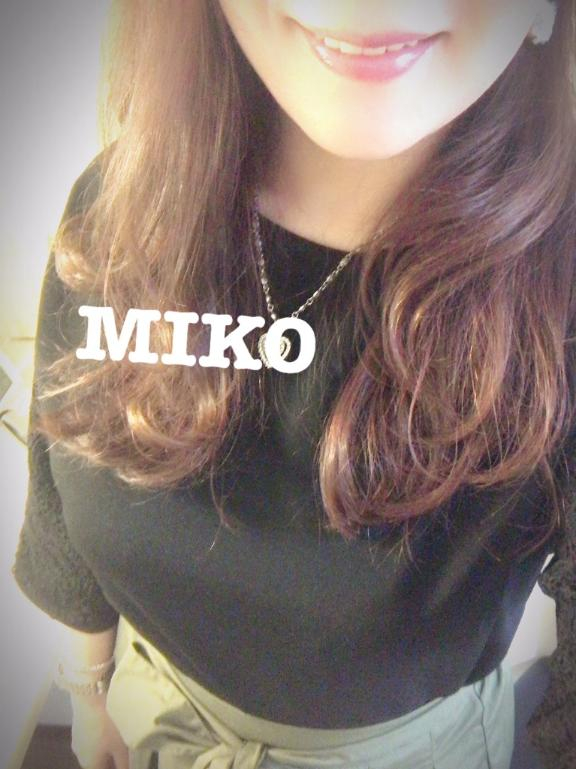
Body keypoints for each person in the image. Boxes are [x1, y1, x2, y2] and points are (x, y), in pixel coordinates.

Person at [11, 1, 576, 768]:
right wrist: (86, 691)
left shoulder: (559, 296)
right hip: (156, 719)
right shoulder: (120, 213)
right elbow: (62, 489)